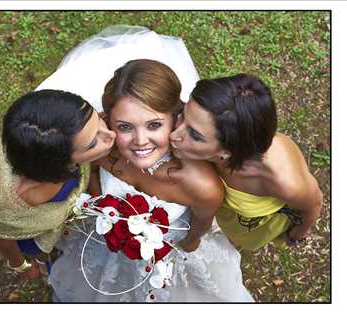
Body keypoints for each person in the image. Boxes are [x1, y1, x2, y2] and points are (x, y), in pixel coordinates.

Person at [48, 59, 254, 302]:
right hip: (107, 242)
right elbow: (92, 172)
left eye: (154, 125)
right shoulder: (102, 147)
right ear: (108, 122)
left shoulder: (201, 185)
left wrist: (177, 249)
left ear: (176, 118)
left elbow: (198, 230)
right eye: (125, 127)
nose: (140, 140)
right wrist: (99, 208)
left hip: (169, 257)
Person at [170, 74, 323, 251]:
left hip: (249, 225)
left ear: (227, 151)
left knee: (240, 240)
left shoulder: (285, 183)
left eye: (195, 135)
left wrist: (295, 235)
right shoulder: (207, 130)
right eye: (183, 115)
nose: (174, 134)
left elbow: (315, 203)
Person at [0, 89, 116, 279]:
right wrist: (21, 265)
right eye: (92, 144)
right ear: (59, 161)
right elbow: (3, 239)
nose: (111, 135)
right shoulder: (7, 204)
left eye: (99, 121)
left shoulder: (47, 133)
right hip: (33, 238)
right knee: (41, 252)